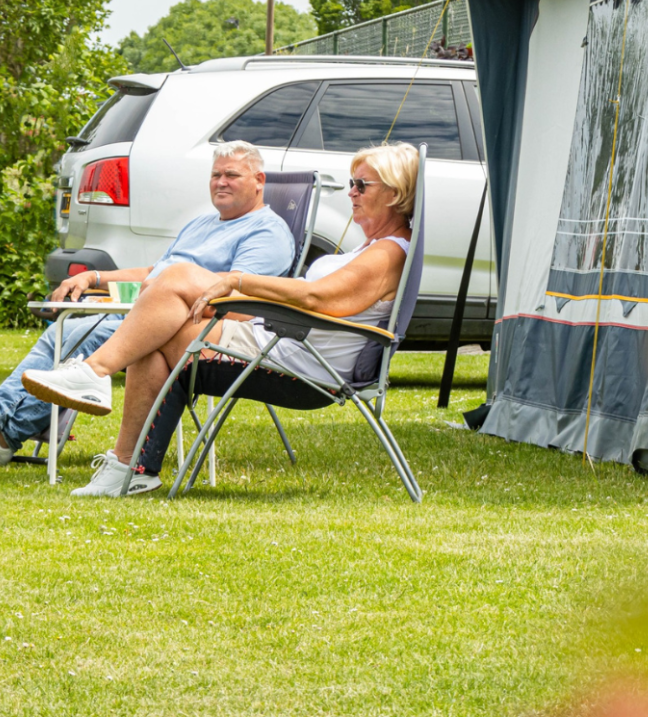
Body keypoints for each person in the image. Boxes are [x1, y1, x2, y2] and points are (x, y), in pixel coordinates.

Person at [21, 142, 418, 497]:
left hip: (302, 366)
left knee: (172, 291)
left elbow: (318, 298)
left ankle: (97, 381)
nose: (351, 192)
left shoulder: (388, 253)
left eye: (361, 185)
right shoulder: (368, 248)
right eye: (351, 183)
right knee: (157, 326)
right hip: (279, 343)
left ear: (395, 193)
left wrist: (238, 280)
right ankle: (130, 467)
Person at [0, 141, 295, 477]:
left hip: (187, 327)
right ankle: (0, 429)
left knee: (80, 333)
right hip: (148, 311)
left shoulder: (267, 232)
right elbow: (154, 273)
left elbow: (239, 300)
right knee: (63, 329)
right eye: (215, 175)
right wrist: (94, 277)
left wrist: (161, 301)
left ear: (259, 180)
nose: (221, 182)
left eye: (232, 174)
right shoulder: (201, 224)